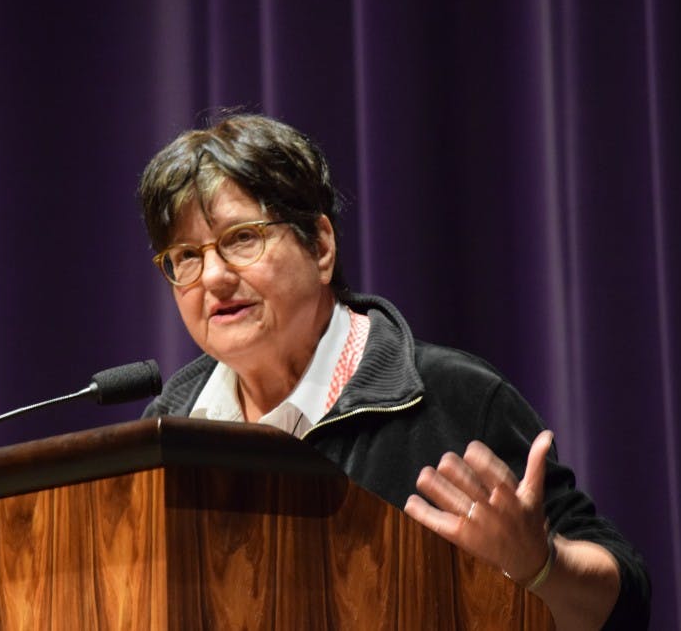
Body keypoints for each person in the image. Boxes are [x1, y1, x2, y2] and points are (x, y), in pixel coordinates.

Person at [138, 113, 650, 629]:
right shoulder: (165, 431)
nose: (214, 277)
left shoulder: (452, 398)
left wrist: (540, 566)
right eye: (185, 256)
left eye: (242, 238)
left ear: (320, 245)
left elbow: (622, 607)